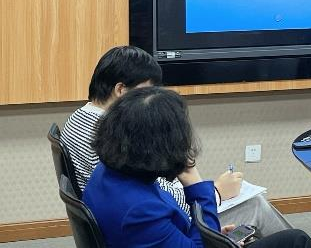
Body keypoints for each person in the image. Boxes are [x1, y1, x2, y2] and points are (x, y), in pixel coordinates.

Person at [61, 45, 290, 237]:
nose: (152, 100)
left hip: (131, 221)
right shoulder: (108, 133)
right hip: (156, 222)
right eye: (146, 93)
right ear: (120, 89)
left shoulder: (81, 118)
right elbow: (155, 200)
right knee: (256, 206)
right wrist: (216, 192)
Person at [84, 87, 311, 247]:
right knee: (297, 241)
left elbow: (165, 234)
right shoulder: (140, 211)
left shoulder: (107, 172)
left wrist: (214, 237)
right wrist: (195, 183)